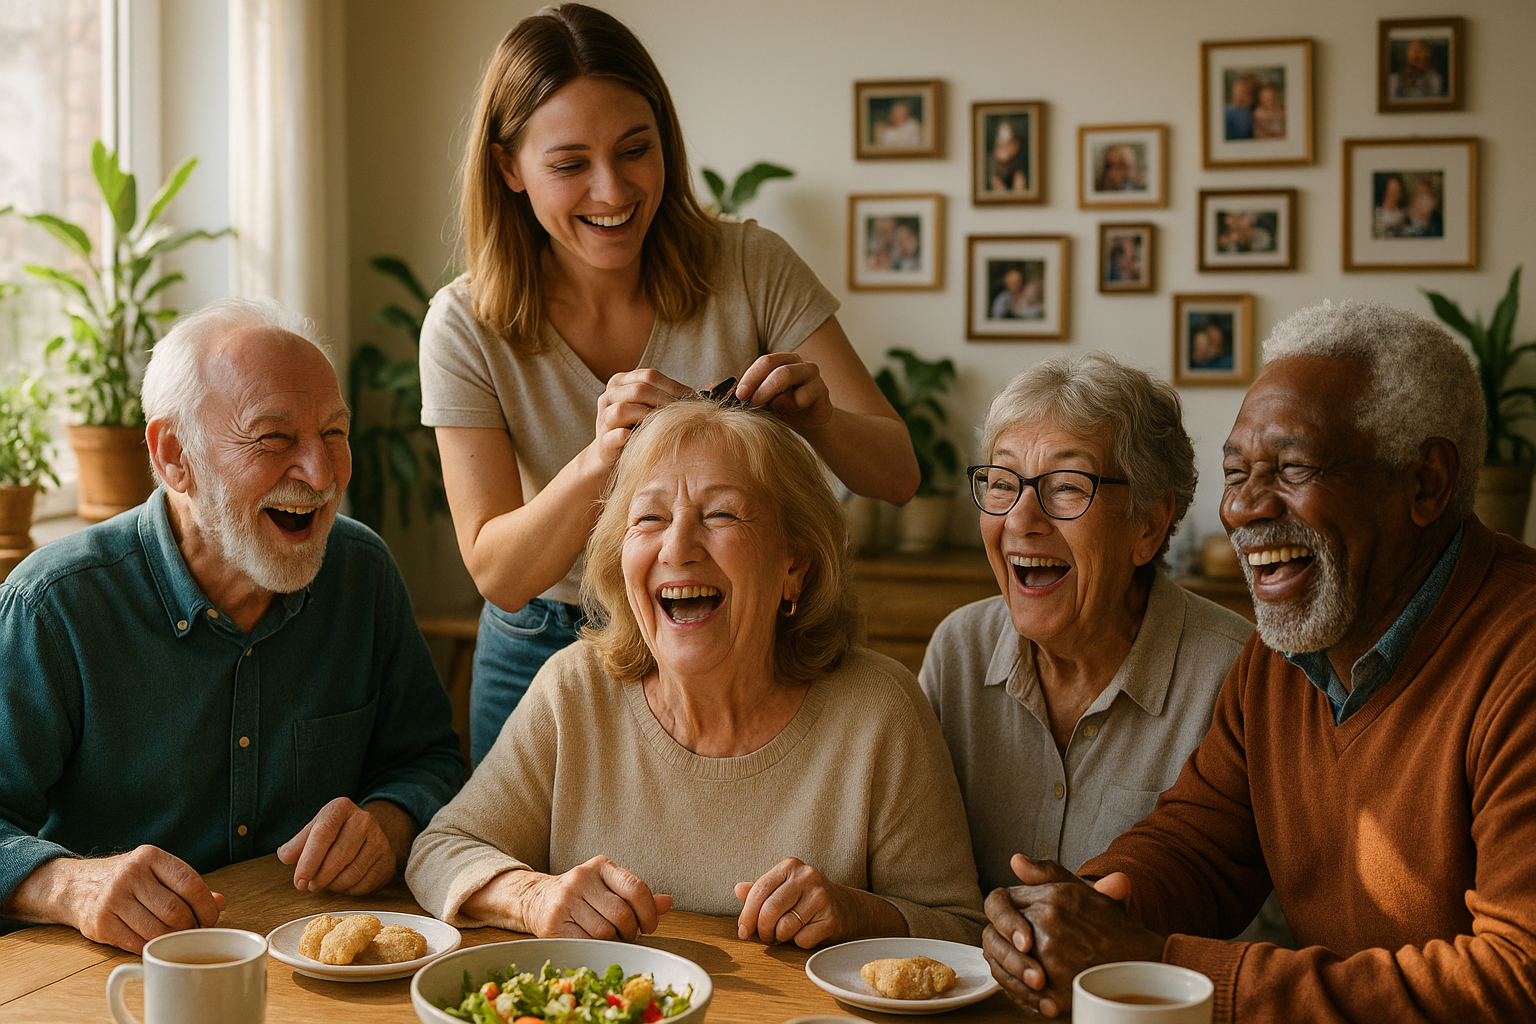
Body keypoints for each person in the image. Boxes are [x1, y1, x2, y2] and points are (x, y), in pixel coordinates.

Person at [982, 300, 1536, 1023]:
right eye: (1236, 472)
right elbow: (1197, 845)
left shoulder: (1518, 660)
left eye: (1292, 467)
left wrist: (1157, 966)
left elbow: (1514, 982)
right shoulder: (1285, 653)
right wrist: (1073, 911)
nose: (1242, 509)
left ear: (1424, 483)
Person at [421, 4, 917, 768]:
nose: (612, 190)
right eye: (569, 164)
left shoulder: (752, 265)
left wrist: (821, 420)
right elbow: (500, 573)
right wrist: (604, 455)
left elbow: (898, 473)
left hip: (730, 633)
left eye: (635, 150)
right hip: (543, 645)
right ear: (508, 168)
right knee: (520, 880)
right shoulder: (463, 325)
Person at [407, 399, 986, 947]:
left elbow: (961, 926)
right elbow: (442, 850)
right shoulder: (575, 689)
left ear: (794, 565)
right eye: (650, 517)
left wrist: (862, 915)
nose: (677, 548)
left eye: (721, 514)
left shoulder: (879, 708)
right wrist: (534, 897)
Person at [0, 299, 463, 952]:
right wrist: (71, 885)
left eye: (334, 433)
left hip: (317, 978)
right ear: (174, 456)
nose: (322, 475)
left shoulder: (363, 573)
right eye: (274, 439)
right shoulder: (53, 606)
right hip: (109, 984)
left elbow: (430, 757)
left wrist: (388, 820)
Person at [920, 354, 1251, 897]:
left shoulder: (1231, 675)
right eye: (1003, 482)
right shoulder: (959, 651)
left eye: (1067, 487)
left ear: (1148, 525)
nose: (1021, 521)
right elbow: (915, 883)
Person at [989, 120, 1027, 193]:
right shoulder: (992, 159)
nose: (1005, 146)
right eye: (1002, 142)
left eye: (1009, 142)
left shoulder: (1020, 159)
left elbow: (1020, 189)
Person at [1224, 73, 1256, 140]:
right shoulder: (1226, 112)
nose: (1241, 94)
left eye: (1244, 91)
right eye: (1238, 90)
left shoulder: (1248, 112)